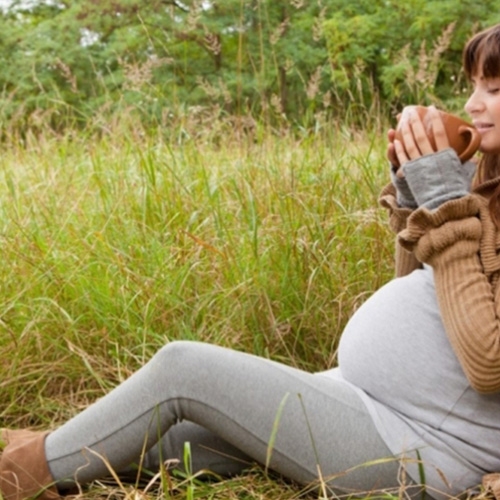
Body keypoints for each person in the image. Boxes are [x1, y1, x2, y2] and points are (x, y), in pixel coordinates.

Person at [3, 23, 500, 500]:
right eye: (473, 86)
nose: (472, 104)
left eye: (493, 89)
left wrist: (444, 202)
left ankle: (14, 478)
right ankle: (36, 455)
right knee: (166, 441)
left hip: (422, 448)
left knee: (184, 370)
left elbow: (486, 364)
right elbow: (426, 287)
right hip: (371, 401)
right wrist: (417, 201)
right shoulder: (491, 186)